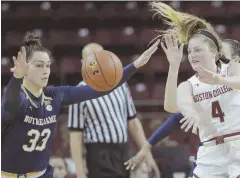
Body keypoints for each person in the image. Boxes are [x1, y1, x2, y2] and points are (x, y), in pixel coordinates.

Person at [126, 2, 240, 177]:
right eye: (189, 51)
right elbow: (173, 106)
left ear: (214, 52)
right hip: (211, 152)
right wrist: (173, 67)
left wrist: (217, 79)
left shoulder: (233, 69)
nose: (192, 55)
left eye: (198, 50)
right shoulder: (188, 85)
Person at [1, 32, 160, 178]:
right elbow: (11, 102)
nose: (46, 71)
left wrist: (136, 65)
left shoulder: (55, 95)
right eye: (39, 65)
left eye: (48, 65)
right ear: (25, 68)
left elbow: (100, 89)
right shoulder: (16, 97)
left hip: (42, 174)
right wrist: (17, 77)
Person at [68, 43, 160, 178]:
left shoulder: (120, 85)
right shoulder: (78, 93)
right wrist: (80, 173)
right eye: (92, 59)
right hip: (99, 155)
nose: (97, 62)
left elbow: (133, 123)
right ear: (83, 63)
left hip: (124, 150)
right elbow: (75, 137)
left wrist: (148, 156)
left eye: (100, 57)